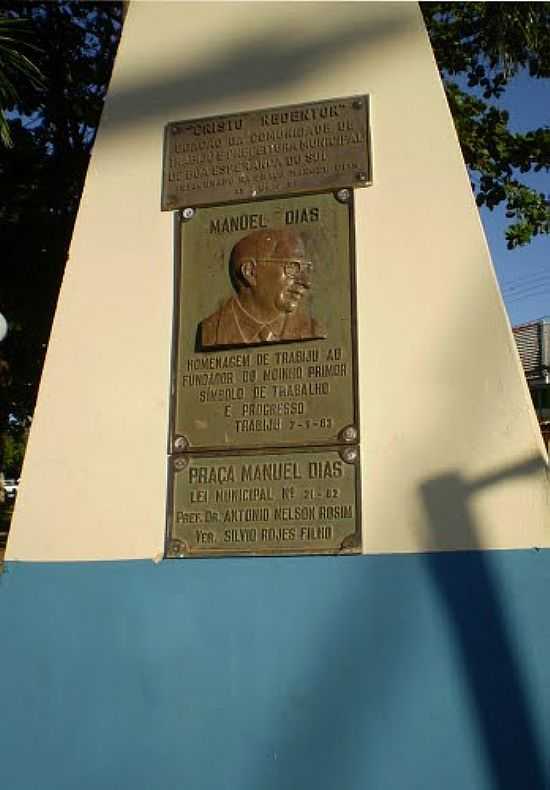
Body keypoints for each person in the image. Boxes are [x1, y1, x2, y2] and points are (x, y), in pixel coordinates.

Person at [198, 228, 327, 348]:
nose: (306, 282)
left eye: (306, 269)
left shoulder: (313, 330)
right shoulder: (210, 332)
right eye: (292, 268)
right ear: (250, 272)